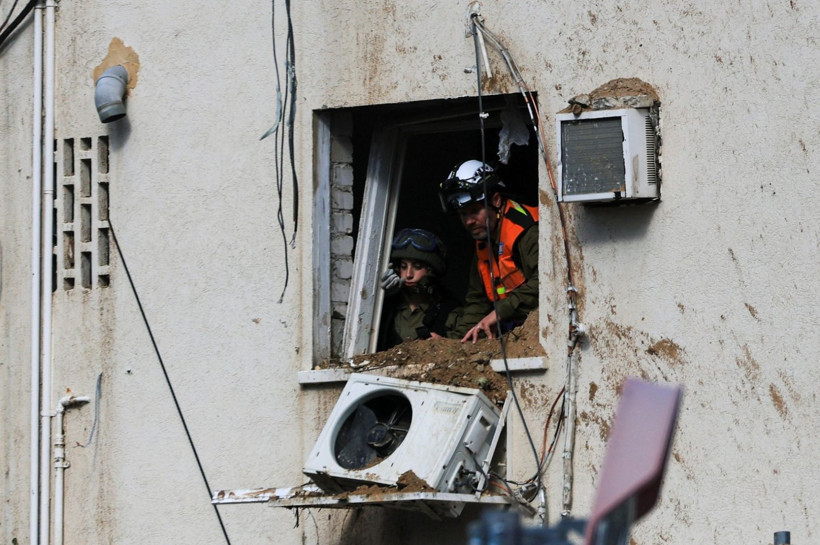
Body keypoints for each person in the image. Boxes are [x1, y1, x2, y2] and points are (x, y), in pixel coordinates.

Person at [438, 160, 539, 343]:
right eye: (463, 214)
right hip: (514, 332)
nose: (469, 221)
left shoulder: (528, 232)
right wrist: (451, 342)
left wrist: (500, 312)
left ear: (496, 200)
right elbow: (477, 302)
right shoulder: (485, 242)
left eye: (475, 211)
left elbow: (545, 283)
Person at [378, 228, 463, 349]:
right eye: (403, 266)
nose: (408, 274)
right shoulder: (387, 308)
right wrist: (382, 298)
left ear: (431, 271)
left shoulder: (449, 310)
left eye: (417, 267)